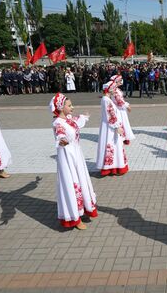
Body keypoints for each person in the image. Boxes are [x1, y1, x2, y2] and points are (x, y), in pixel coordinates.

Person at [50, 93, 97, 230]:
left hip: (77, 154)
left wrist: (85, 116)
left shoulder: (69, 119)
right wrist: (62, 140)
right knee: (72, 183)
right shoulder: (58, 123)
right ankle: (75, 217)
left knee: (81, 180)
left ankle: (83, 209)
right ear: (60, 107)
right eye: (69, 105)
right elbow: (60, 134)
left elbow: (77, 122)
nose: (72, 107)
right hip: (67, 157)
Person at [95, 81, 128, 176]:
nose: (115, 90)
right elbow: (110, 114)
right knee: (112, 144)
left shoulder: (106, 99)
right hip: (110, 127)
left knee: (113, 145)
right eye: (113, 88)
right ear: (109, 89)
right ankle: (112, 167)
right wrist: (117, 126)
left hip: (109, 126)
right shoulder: (106, 100)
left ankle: (113, 166)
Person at [109, 74, 135, 145]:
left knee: (124, 122)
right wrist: (127, 106)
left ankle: (124, 137)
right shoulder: (114, 90)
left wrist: (126, 104)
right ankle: (121, 138)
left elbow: (121, 99)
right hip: (118, 109)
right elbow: (119, 100)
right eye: (120, 80)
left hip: (121, 109)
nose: (121, 81)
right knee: (121, 122)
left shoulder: (117, 89)